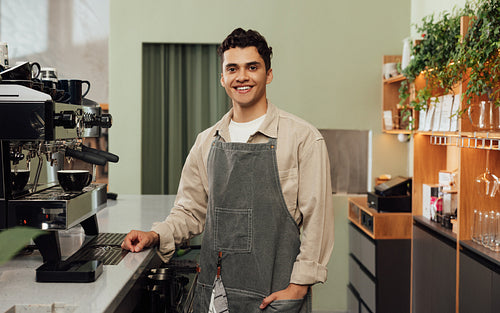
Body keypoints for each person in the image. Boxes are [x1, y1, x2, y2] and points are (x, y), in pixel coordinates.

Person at [122, 28, 334, 312]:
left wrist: (298, 286)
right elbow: (190, 211)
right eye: (232, 68)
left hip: (276, 296)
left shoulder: (303, 138)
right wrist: (156, 234)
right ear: (222, 77)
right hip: (215, 295)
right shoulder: (206, 142)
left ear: (268, 74)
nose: (242, 76)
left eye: (252, 67)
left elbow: (317, 221)